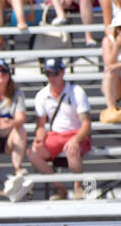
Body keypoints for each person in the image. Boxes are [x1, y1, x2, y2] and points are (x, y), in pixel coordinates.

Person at [28, 58, 92, 199]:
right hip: (56, 135)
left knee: (71, 147)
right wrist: (39, 138)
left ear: (62, 73)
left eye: (54, 73)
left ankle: (78, 186)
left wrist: (75, 139)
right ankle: (59, 187)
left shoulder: (77, 92)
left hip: (76, 133)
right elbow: (40, 126)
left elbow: (86, 124)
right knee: (33, 152)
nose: (51, 78)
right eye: (48, 74)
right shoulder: (42, 95)